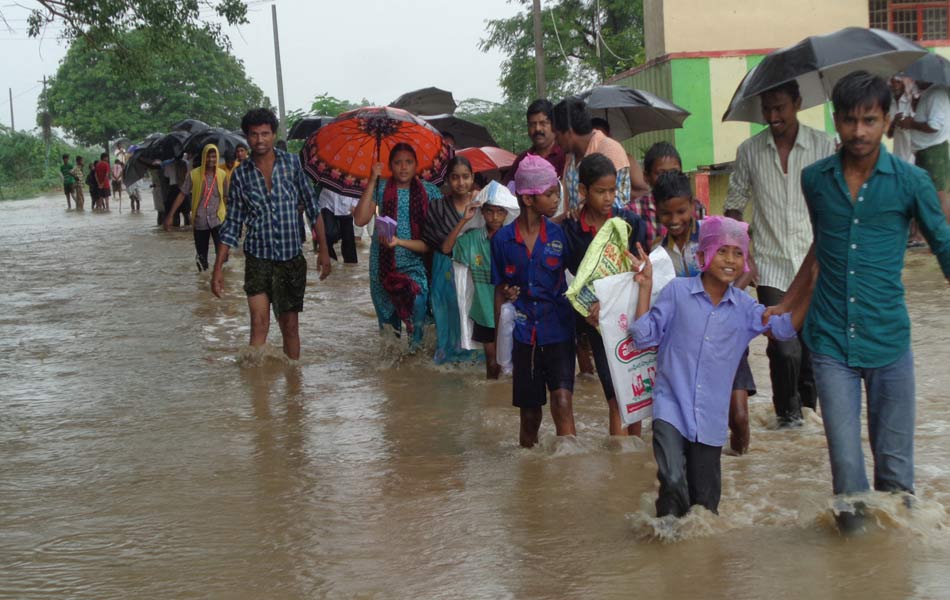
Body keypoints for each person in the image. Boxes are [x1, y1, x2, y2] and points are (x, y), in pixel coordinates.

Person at [770, 71, 950, 532]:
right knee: (848, 482)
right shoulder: (816, 180)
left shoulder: (911, 183)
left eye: (870, 120)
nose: (859, 132)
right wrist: (787, 303)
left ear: (886, 120)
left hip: (889, 343)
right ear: (836, 121)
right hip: (830, 344)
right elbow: (822, 248)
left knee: (896, 482)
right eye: (850, 121)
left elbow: (944, 248)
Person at [630, 216, 800, 518]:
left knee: (704, 511)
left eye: (738, 253)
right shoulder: (677, 292)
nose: (731, 260)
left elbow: (784, 330)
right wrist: (645, 287)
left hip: (709, 421)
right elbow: (643, 336)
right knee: (671, 479)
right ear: (702, 256)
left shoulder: (745, 309)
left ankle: (685, 556)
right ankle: (664, 538)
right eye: (722, 251)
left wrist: (812, 288)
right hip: (670, 407)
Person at [724, 79, 836, 427]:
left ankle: (807, 419)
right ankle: (787, 419)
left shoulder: (824, 145)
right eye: (767, 109)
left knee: (813, 349)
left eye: (780, 107)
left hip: (816, 261)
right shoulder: (749, 152)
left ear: (797, 103)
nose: (773, 116)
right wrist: (742, 254)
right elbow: (733, 207)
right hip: (771, 265)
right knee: (783, 346)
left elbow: (838, 202)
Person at [212, 108, 332, 360]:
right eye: (254, 135)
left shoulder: (291, 164)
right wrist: (217, 268)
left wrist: (323, 251)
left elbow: (312, 207)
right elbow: (232, 222)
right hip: (257, 258)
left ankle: (294, 389)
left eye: (265, 134)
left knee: (289, 327)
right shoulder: (241, 175)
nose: (260, 140)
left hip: (290, 259)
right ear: (246, 137)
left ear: (273, 134)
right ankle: (258, 394)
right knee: (259, 323)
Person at [653, 170, 758, 454]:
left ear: (693, 204)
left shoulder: (719, 232)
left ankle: (741, 474)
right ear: (656, 211)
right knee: (687, 420)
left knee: (738, 417)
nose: (674, 221)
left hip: (727, 336)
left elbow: (750, 267)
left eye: (681, 211)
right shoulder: (657, 255)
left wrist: (726, 297)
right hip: (687, 350)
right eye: (666, 214)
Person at [491, 155, 576, 448]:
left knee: (563, 401)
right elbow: (499, 288)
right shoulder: (501, 241)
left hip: (559, 329)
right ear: (528, 199)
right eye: (550, 194)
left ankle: (568, 471)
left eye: (556, 193)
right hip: (523, 334)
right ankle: (529, 478)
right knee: (529, 417)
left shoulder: (561, 235)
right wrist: (496, 346)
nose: (556, 199)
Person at [563, 153, 647, 436]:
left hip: (630, 316)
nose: (609, 198)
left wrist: (610, 301)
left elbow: (643, 270)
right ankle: (624, 460)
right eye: (601, 191)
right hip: (595, 322)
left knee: (635, 391)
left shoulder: (630, 222)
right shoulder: (571, 230)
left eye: (612, 190)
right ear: (584, 191)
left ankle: (631, 453)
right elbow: (570, 277)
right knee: (614, 394)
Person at [354, 142, 441, 352]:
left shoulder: (429, 191)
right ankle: (393, 377)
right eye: (398, 163)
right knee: (388, 328)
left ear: (416, 165)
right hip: (382, 265)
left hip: (415, 263)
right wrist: (373, 179)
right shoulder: (382, 187)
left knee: (419, 306)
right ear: (390, 166)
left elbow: (441, 225)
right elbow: (359, 219)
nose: (403, 167)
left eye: (409, 162)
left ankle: (415, 362)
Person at [443, 182, 517, 378]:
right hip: (484, 311)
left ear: (507, 214)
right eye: (490, 211)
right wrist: (463, 220)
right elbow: (446, 249)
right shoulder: (473, 239)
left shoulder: (513, 239)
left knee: (513, 362)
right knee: (492, 363)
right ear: (482, 213)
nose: (494, 217)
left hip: (510, 310)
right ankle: (491, 404)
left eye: (500, 212)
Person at [422, 155, 482, 364]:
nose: (461, 183)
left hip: (474, 272)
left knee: (472, 315)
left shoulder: (482, 206)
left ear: (473, 177)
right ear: (447, 180)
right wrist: (464, 220)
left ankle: (473, 360)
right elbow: (446, 247)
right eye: (455, 177)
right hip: (445, 271)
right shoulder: (437, 207)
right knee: (448, 316)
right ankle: (447, 360)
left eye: (466, 177)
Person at [553, 96, 643, 212]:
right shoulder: (571, 158)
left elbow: (617, 207)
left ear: (569, 132)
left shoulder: (610, 150)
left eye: (557, 135)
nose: (555, 142)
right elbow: (570, 210)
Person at [626, 142, 705, 250]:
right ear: (646, 176)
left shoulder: (696, 207)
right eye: (661, 173)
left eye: (674, 172)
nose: (668, 178)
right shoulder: (633, 212)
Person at [165, 144, 229, 272]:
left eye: (214, 156)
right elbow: (182, 194)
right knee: (201, 256)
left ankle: (220, 278)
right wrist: (170, 215)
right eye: (209, 156)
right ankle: (202, 282)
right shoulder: (194, 175)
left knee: (223, 254)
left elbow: (226, 197)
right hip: (200, 221)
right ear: (204, 157)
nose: (211, 159)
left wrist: (230, 219)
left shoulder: (222, 175)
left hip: (218, 219)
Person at [898, 78, 950, 223]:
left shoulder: (936, 94)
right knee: (928, 194)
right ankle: (922, 235)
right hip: (929, 150)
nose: (914, 82)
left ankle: (946, 237)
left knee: (938, 195)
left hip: (932, 151)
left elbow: (934, 126)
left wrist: (911, 124)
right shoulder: (933, 93)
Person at [502, 99, 566, 187]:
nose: (537, 129)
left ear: (554, 125)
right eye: (532, 124)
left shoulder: (565, 156)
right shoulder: (522, 159)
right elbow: (506, 190)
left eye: (543, 123)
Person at [318, 187, 359, 264]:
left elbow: (359, 187)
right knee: (329, 235)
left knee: (348, 240)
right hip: (327, 202)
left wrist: (355, 203)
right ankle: (331, 262)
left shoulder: (355, 175)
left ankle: (350, 266)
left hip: (347, 205)